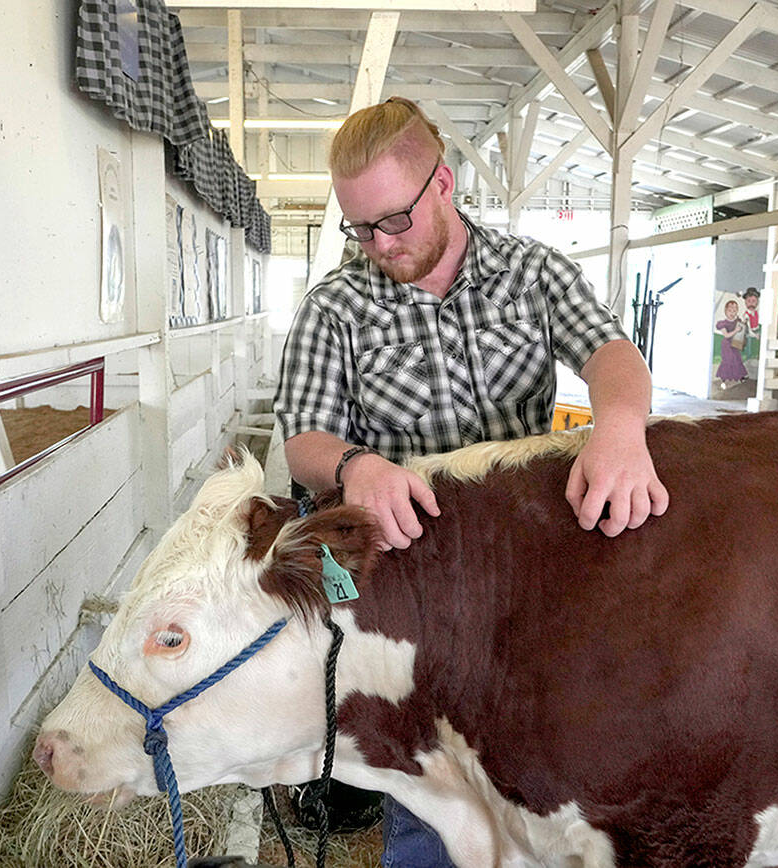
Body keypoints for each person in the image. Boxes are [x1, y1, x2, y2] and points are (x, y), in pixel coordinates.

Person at [272, 96, 668, 866]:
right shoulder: (335, 309)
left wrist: (620, 427)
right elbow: (301, 442)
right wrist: (357, 465)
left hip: (525, 577)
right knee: (427, 784)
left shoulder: (532, 273)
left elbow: (611, 355)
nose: (379, 244)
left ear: (443, 183)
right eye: (360, 228)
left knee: (542, 757)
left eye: (394, 220)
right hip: (413, 585)